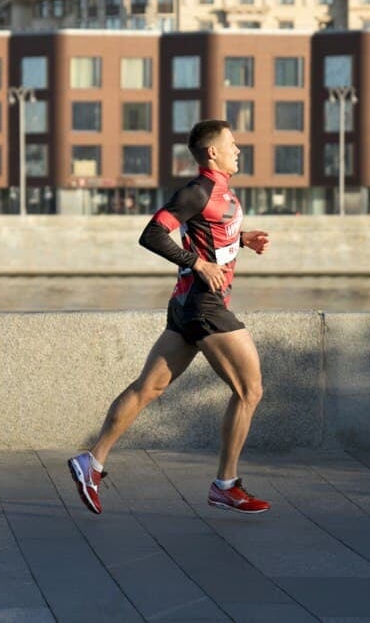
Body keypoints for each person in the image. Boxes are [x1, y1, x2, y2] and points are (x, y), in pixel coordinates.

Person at [68, 119, 271, 515]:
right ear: (212, 152)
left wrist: (242, 239)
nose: (238, 150)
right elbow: (153, 234)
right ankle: (225, 485)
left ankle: (91, 461)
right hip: (204, 305)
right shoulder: (198, 190)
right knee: (250, 391)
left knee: (149, 388)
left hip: (185, 306)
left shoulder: (218, 193)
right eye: (232, 143)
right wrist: (196, 263)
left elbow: (209, 233)